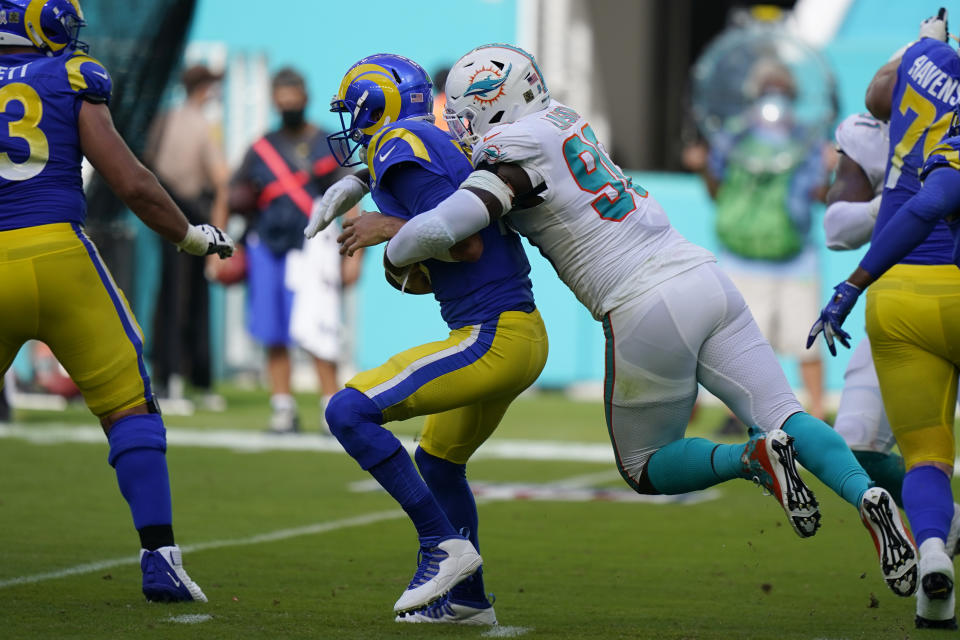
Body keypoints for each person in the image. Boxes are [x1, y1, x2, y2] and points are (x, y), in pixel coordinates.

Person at [323, 43, 918, 600]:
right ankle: (864, 493)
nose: (455, 120)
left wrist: (390, 238)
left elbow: (448, 224)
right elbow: (438, 155)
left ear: (487, 104)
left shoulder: (512, 152)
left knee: (644, 467)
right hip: (702, 274)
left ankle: (751, 459)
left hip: (641, 301)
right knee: (786, 410)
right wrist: (363, 178)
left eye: (463, 109)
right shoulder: (564, 119)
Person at [0, 0, 235, 602]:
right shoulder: (69, 76)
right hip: (59, 255)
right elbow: (130, 180)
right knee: (129, 407)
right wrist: (188, 235)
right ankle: (160, 557)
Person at [305, 53, 549, 624]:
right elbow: (437, 258)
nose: (348, 124)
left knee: (348, 411)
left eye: (351, 110)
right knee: (438, 461)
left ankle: (441, 547)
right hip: (517, 331)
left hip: (493, 334)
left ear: (374, 103)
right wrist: (398, 253)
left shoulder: (399, 145)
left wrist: (386, 231)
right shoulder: (421, 141)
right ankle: (468, 600)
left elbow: (463, 244)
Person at [809, 11, 960, 629]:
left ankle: (931, 550)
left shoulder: (929, 90)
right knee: (858, 446)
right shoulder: (877, 120)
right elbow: (843, 219)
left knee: (926, 456)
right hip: (914, 287)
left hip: (901, 291)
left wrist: (851, 284)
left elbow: (932, 201)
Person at [683, 57, 830, 424]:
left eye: (781, 93)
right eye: (768, 92)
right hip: (740, 254)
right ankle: (734, 412)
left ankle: (817, 410)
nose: (774, 99)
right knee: (733, 344)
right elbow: (717, 191)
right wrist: (701, 165)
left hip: (793, 256)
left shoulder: (808, 140)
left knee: (805, 339)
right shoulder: (733, 135)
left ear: (793, 97)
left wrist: (832, 170)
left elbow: (820, 193)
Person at [230, 67, 358, 433]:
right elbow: (232, 190)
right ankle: (282, 407)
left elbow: (352, 195)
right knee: (274, 330)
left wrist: (353, 252)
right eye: (281, 99)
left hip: (313, 246)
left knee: (319, 327)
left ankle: (330, 406)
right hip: (268, 244)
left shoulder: (325, 142)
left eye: (293, 98)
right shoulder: (262, 146)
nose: (287, 105)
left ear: (305, 97)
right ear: (274, 101)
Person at [144, 63, 229, 410]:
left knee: (169, 295)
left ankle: (170, 376)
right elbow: (220, 178)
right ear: (204, 88)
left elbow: (148, 164)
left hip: (162, 211)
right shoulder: (202, 126)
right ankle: (186, 379)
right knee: (190, 298)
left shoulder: (163, 119)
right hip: (194, 213)